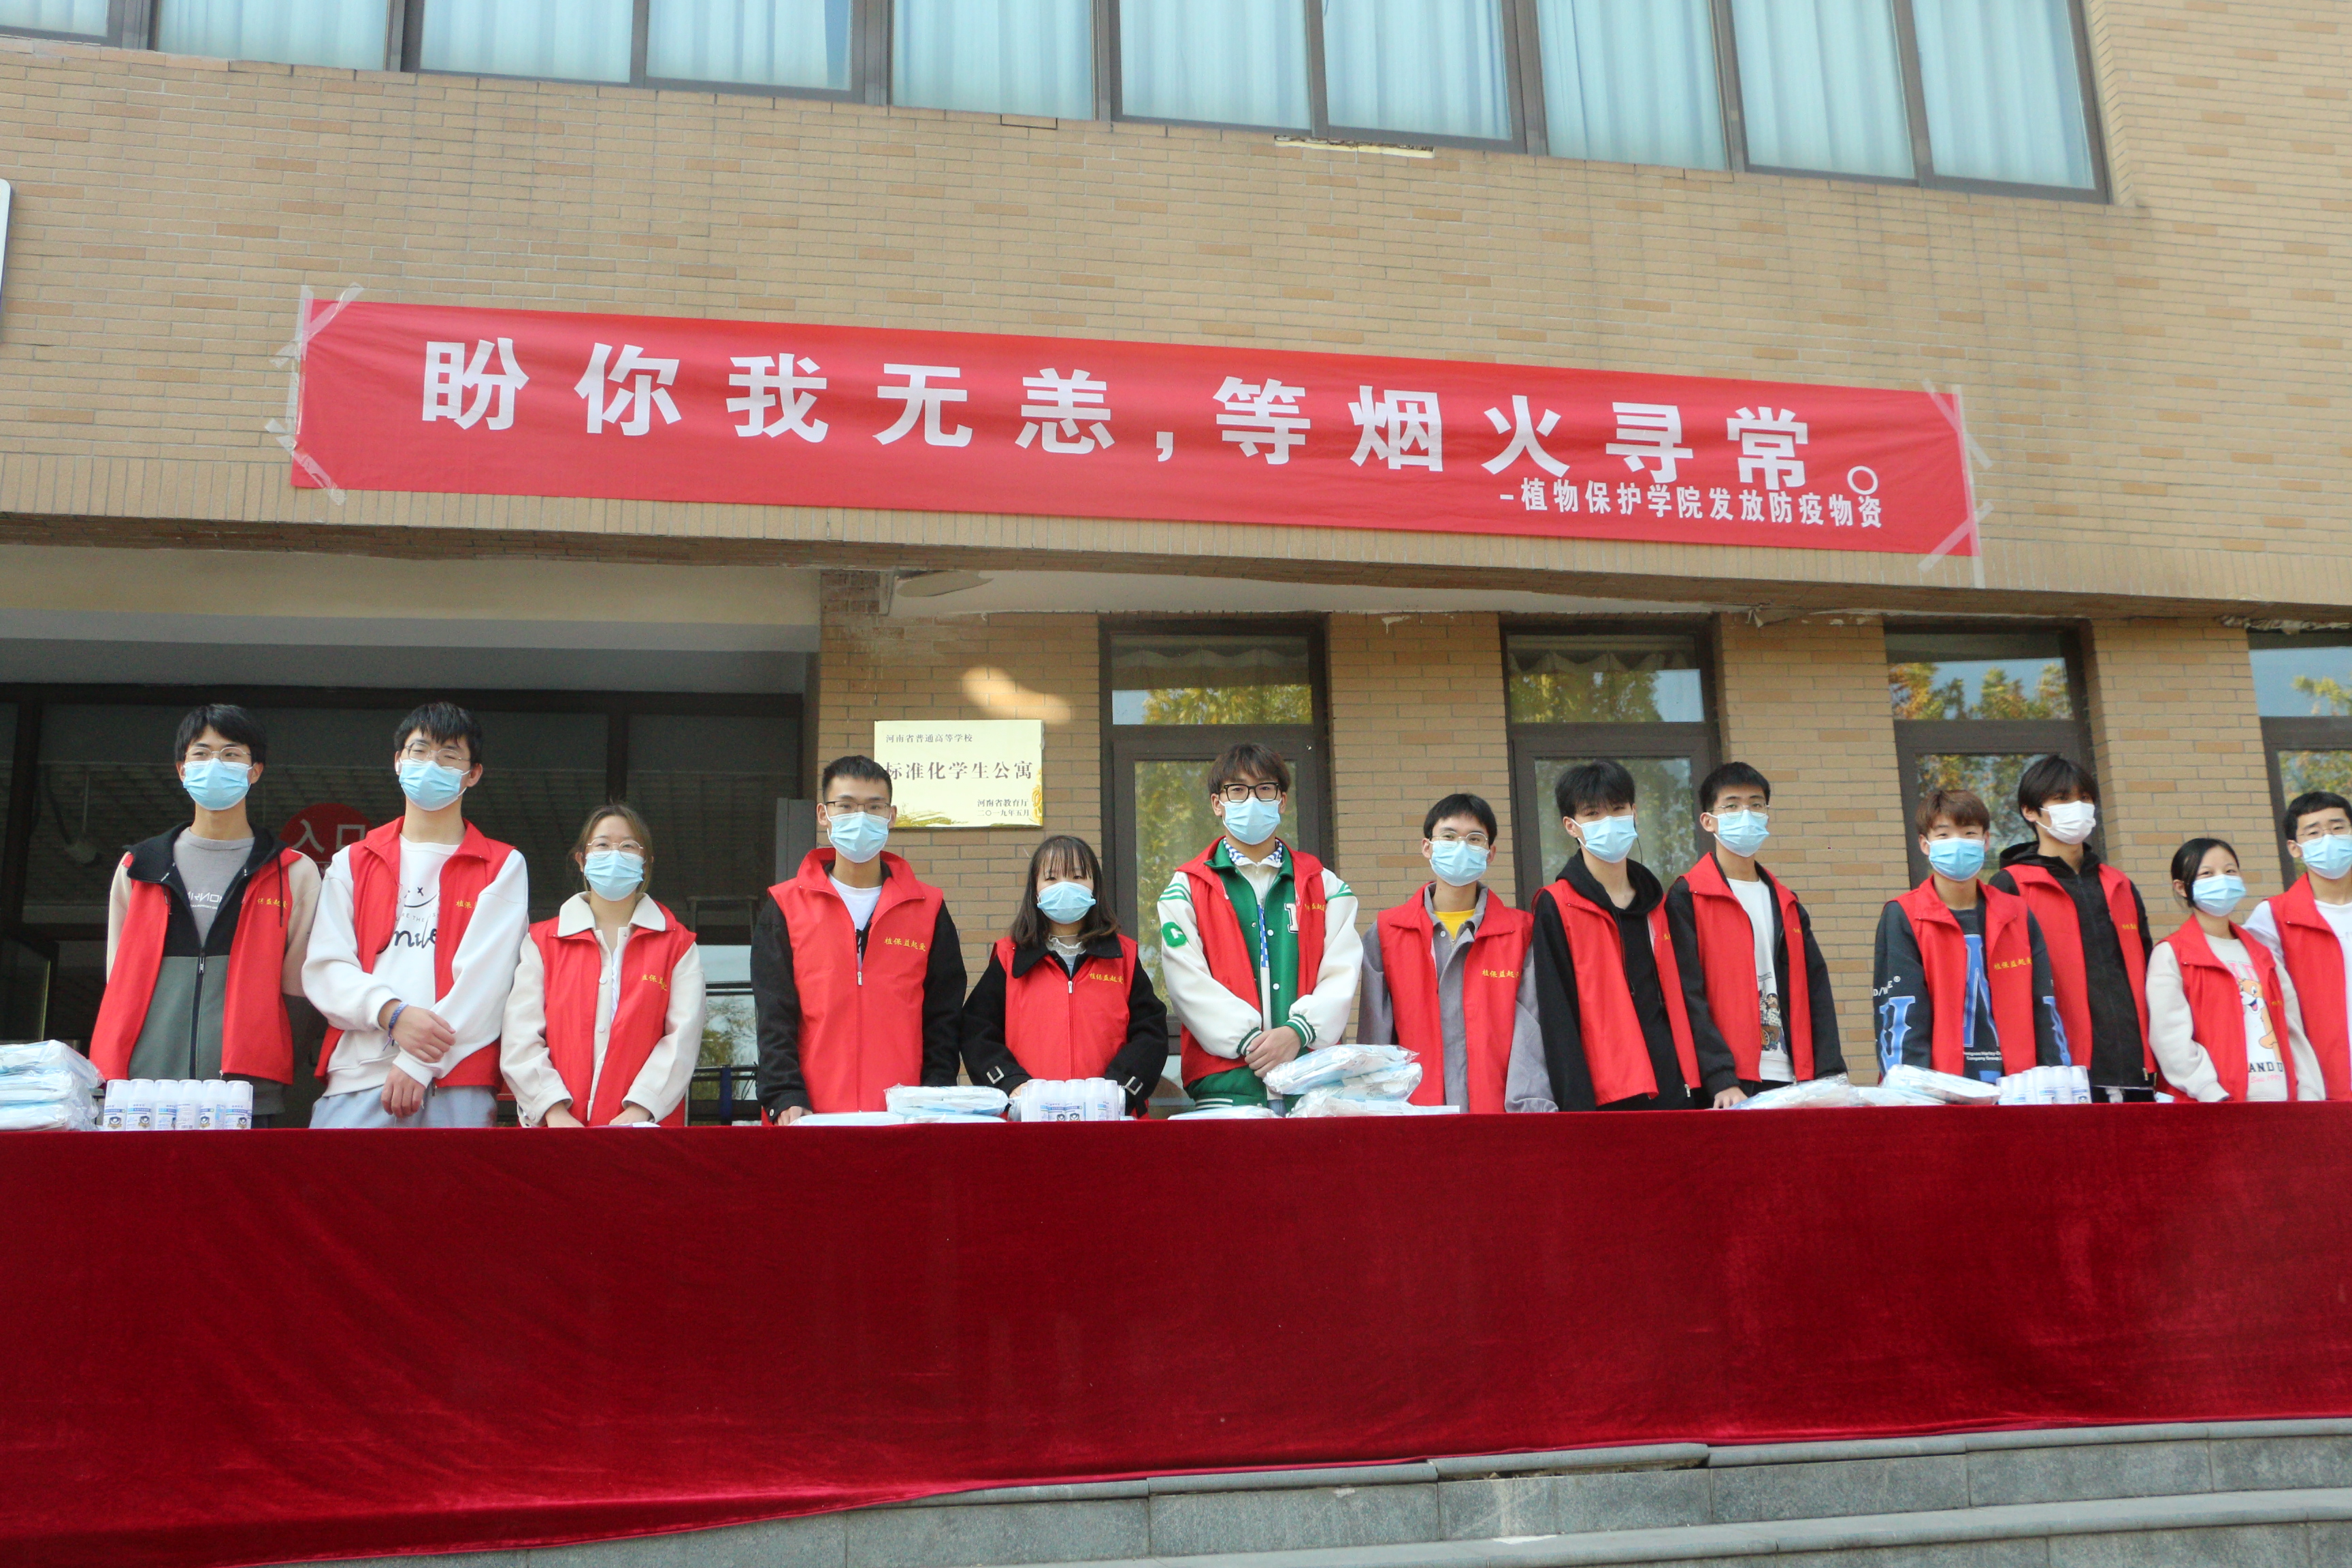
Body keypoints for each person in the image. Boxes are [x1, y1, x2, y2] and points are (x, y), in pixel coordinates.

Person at [91, 704, 320, 1126]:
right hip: (141, 1092)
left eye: (231, 754)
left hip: (245, 1093)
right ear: (182, 770)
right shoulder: (139, 868)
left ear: (255, 771)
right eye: (201, 753)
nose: (215, 764)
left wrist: (268, 1071)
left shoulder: (291, 871)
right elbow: (118, 979)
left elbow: (299, 990)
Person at [303, 702, 529, 1128]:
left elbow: (488, 982)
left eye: (449, 755)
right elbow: (325, 967)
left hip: (454, 1081)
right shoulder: (353, 860)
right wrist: (392, 1013)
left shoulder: (502, 865)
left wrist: (420, 1062)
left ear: (473, 774)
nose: (431, 765)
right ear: (398, 762)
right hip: (356, 1074)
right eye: (419, 751)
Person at [753, 755, 964, 1120]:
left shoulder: (928, 908)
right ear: (824, 814)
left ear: (891, 816)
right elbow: (774, 1016)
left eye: (874, 807)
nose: (861, 817)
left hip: (907, 1115)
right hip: (808, 1115)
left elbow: (943, 1017)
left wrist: (934, 1094)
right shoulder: (785, 906)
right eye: (846, 806)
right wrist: (784, 1095)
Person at [1157, 742, 1361, 1111]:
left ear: (1282, 801)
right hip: (1228, 1090)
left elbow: (1342, 971)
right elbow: (1186, 981)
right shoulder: (1186, 888)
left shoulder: (1325, 885)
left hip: (1313, 1089)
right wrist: (1251, 1041)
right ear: (1218, 803)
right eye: (1237, 790)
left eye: (1265, 789)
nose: (1252, 800)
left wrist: (1298, 1032)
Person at [502, 804, 706, 1127]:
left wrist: (639, 1111)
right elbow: (520, 1037)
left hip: (643, 1134)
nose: (615, 854)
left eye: (628, 846)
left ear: (646, 862)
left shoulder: (677, 945)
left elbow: (682, 1041)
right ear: (582, 860)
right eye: (602, 845)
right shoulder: (543, 942)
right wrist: (554, 1111)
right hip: (554, 1132)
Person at [1659, 762, 1843, 1107]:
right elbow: (1688, 995)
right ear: (1708, 821)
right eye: (1732, 806)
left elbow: (1816, 989)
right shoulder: (1688, 896)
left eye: (1756, 805)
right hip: (1730, 1084)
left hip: (1793, 1076)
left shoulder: (1787, 902)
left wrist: (1830, 1073)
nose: (1746, 814)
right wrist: (1720, 1077)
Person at [1357, 793, 1549, 1112]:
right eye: (1449, 836)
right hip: (1416, 1115)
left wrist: (1528, 1111)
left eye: (1474, 839)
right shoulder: (1388, 931)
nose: (1461, 847)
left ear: (1490, 854)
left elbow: (1532, 1030)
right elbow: (1375, 1035)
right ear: (1427, 847)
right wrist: (1378, 1113)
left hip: (1499, 1114)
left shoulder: (1521, 933)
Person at [1529, 761, 1699, 1110]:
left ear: (1634, 813)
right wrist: (1577, 1107)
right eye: (1593, 813)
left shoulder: (1658, 903)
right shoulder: (1556, 905)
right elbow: (1557, 1015)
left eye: (1618, 809)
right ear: (1571, 826)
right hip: (1607, 1091)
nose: (1608, 822)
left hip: (1673, 1081)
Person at [960, 835, 1169, 1114]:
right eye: (1051, 878)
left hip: (1111, 1119)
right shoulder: (1009, 958)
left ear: (1095, 886)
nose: (1065, 886)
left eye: (1078, 877)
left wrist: (1120, 1090)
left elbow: (1151, 1034)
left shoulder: (1124, 958)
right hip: (1030, 1120)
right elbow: (977, 1032)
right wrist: (1011, 1083)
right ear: (1035, 890)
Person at [1988, 756, 2155, 1102]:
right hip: (2059, 1070)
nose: (2077, 807)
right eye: (2062, 799)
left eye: (2085, 798)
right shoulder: (2011, 885)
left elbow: (2147, 968)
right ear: (2030, 811)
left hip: (2134, 1063)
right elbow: (2004, 987)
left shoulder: (2119, 884)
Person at [1872, 787, 2066, 1083]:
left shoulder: (2017, 913)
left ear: (1986, 841)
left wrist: (2056, 1075)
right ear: (1925, 844)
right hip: (1941, 1087)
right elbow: (1901, 1013)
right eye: (1944, 835)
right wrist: (1910, 1089)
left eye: (1969, 833)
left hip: (2018, 1085)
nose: (1958, 843)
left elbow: (2045, 1005)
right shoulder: (1904, 914)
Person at [2148, 837, 2321, 1102]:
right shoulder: (2173, 955)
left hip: (2280, 1100)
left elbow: (2292, 1029)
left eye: (2230, 871)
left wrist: (2308, 1089)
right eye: (2207, 874)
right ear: (2181, 888)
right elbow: (2169, 1037)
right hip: (2214, 1104)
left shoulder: (2263, 955)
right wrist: (2209, 1091)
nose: (2222, 879)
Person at [2244, 790, 2352, 1100]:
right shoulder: (2273, 918)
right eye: (2314, 833)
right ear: (2294, 848)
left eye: (2338, 828)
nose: (2328, 839)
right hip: (2321, 1085)